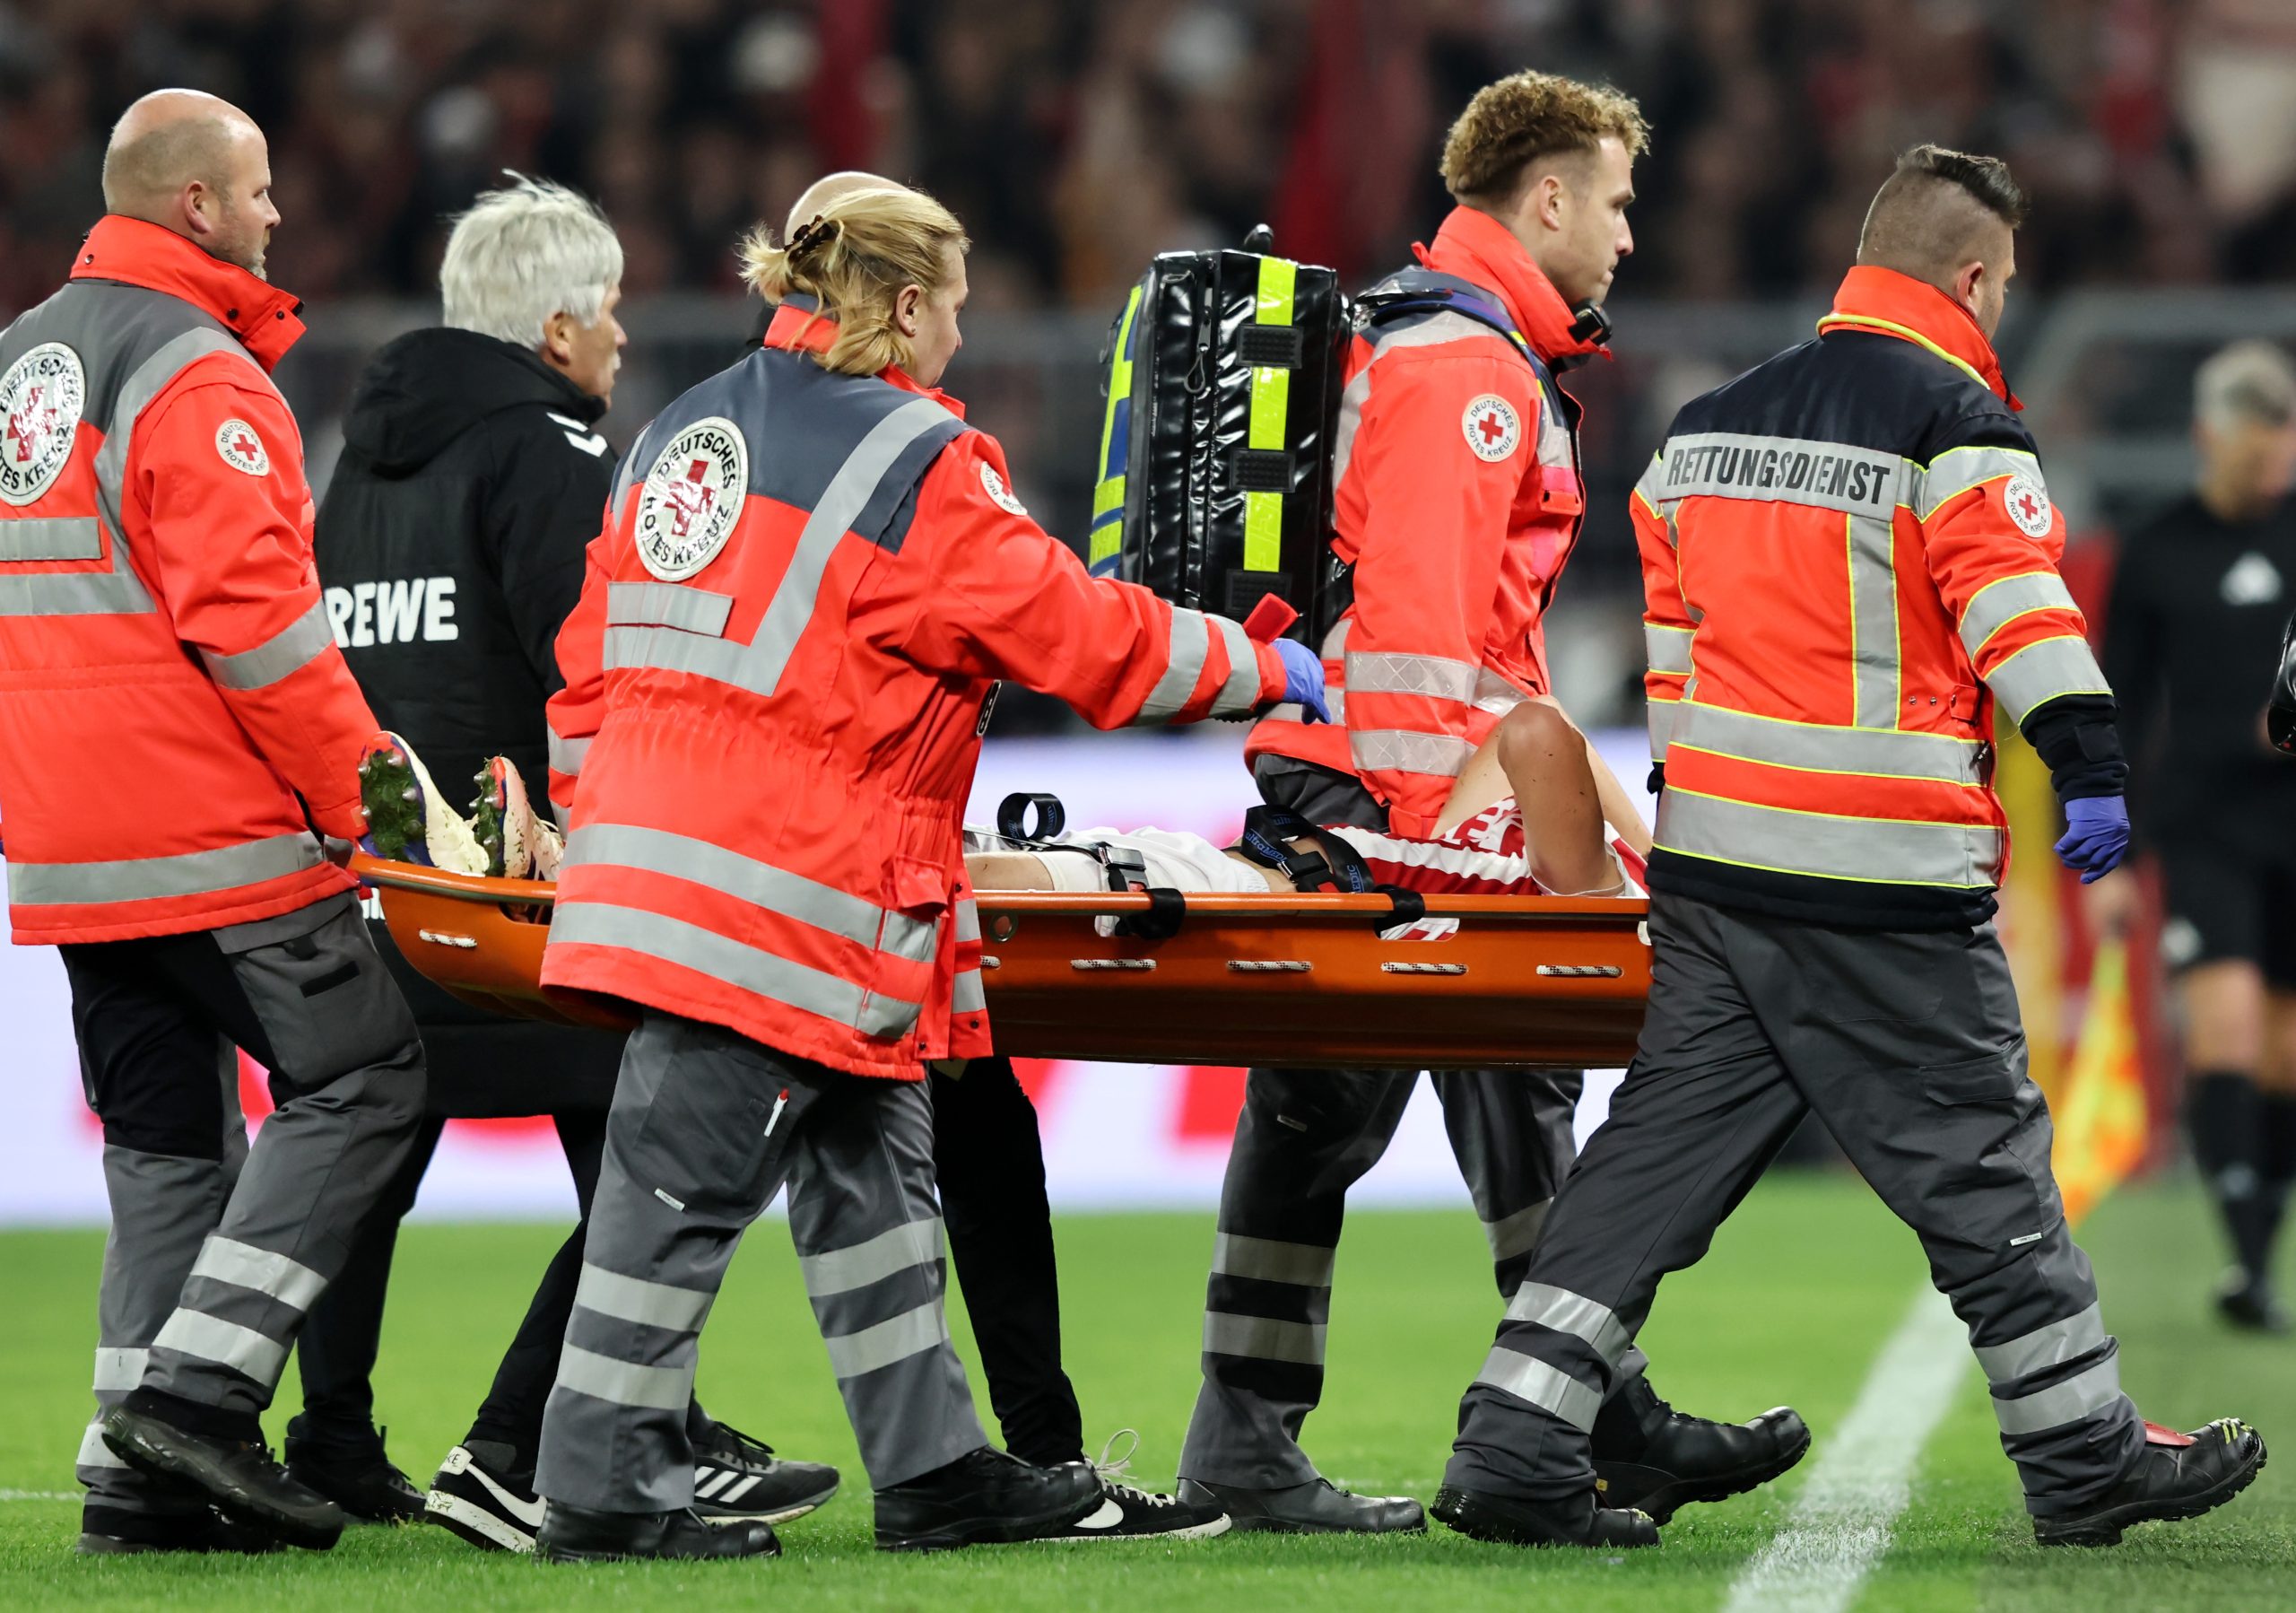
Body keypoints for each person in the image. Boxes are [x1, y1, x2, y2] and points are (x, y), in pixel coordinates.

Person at [1438, 144, 2267, 1550]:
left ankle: (1513, 1440)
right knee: (1983, 1152)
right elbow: (2018, 614)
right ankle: (2082, 1452)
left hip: (1718, 874)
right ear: (1972, 279)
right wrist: (2090, 762)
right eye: (2004, 285)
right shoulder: (1956, 423)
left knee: (1651, 1164)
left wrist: (1699, 822)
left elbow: (1676, 661)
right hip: (1881, 875)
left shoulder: (1703, 429)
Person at [526, 184, 1322, 1563]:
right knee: (673, 1202)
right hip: (785, 890)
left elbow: (585, 666)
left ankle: (937, 1469)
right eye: (952, 306)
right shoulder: (918, 458)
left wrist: (609, 830)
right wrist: (1262, 664)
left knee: (874, 1186)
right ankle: (598, 1491)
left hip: (698, 873)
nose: (960, 333)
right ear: (903, 307)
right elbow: (1084, 636)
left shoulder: (679, 430)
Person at [1174, 70, 1806, 1538]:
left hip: (1380, 774)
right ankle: (1542, 1415)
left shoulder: (1449, 342)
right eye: (1618, 202)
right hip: (1391, 788)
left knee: (1432, 1089)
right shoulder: (1466, 370)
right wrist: (1432, 842)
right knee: (1403, 1083)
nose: (1630, 234)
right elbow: (1420, 642)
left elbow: (1464, 651)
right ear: (1549, 198)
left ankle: (1572, 1409)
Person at [308, 175, 835, 1546]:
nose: (619, 334)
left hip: (390, 876)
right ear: (553, 330)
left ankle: (335, 1439)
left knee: (367, 1164)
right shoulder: (549, 454)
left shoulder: (359, 462)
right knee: (653, 1165)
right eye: (605, 309)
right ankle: (552, 1439)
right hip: (535, 880)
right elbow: (592, 669)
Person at [0, 89, 431, 1555]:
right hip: (207, 826)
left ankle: (136, 1478)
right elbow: (259, 631)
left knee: (165, 1143)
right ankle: (196, 1396)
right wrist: (369, 801)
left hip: (68, 841)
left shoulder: (24, 361)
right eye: (257, 191)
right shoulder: (195, 368)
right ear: (196, 205)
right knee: (365, 1074)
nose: (276, 215)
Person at [2091, 341, 2296, 1332]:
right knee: (2227, 1032)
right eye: (2258, 451)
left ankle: (2259, 1247)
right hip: (2204, 825)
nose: (2273, 471)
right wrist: (2113, 858)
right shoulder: (2158, 551)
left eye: (2284, 450)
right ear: (2210, 436)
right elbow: (2120, 712)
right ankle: (2247, 1264)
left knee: (2284, 1058)